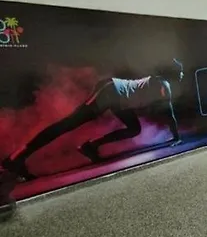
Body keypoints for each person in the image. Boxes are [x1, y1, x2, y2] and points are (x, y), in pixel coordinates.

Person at [2, 59, 185, 181]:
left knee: (134, 129)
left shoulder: (159, 83)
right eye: (180, 71)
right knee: (67, 125)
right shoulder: (163, 85)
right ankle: (15, 158)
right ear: (172, 73)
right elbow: (169, 114)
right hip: (110, 91)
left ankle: (90, 146)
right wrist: (176, 137)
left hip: (119, 99)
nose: (182, 75)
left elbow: (156, 108)